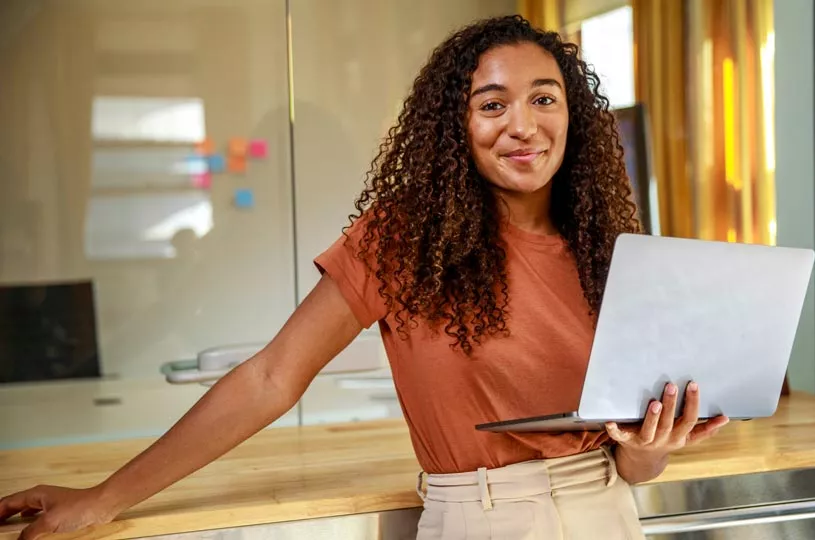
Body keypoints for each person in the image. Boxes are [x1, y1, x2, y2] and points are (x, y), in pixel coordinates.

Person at [0, 15, 729, 540]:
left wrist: (648, 448)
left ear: (572, 115)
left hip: (609, 517)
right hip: (483, 522)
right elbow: (270, 379)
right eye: (492, 104)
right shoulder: (403, 236)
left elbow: (632, 466)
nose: (523, 125)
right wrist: (104, 497)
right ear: (455, 124)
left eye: (544, 98)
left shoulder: (608, 251)